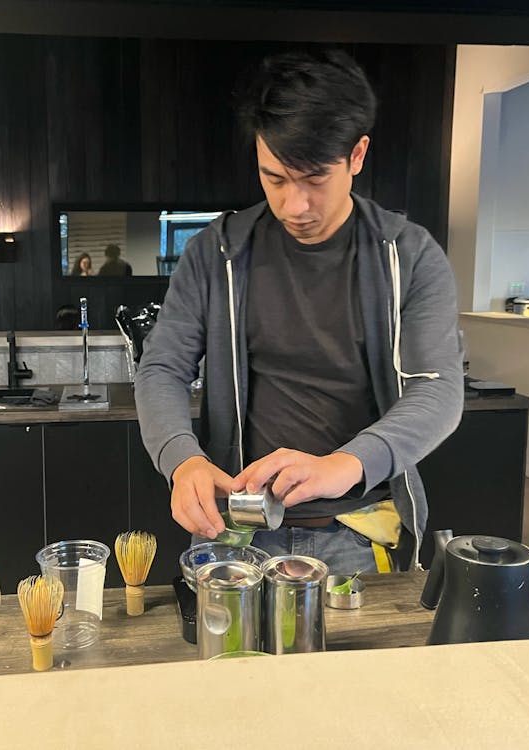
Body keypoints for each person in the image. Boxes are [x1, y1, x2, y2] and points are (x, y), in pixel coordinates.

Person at [134, 49, 463, 574]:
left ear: (357, 155)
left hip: (360, 530)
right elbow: (163, 368)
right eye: (276, 178)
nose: (295, 206)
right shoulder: (215, 252)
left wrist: (345, 464)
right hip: (237, 530)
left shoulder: (410, 255)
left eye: (314, 179)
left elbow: (439, 388)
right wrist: (182, 459)